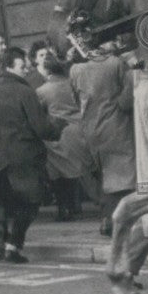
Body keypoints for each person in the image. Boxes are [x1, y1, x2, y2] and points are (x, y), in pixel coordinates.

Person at [0, 47, 63, 263]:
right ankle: (13, 246)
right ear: (8, 67)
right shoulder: (25, 92)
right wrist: (58, 127)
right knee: (29, 203)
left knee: (0, 197)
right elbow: (42, 129)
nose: (26, 70)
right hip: (26, 157)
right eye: (22, 66)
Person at [69, 43, 136, 236]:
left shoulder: (75, 69)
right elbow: (126, 101)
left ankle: (107, 219)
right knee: (125, 176)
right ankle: (119, 221)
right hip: (117, 127)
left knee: (104, 175)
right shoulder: (116, 63)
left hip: (91, 128)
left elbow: (76, 100)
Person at [36, 54, 91, 222]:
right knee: (82, 169)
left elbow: (39, 114)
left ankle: (64, 208)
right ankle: (77, 204)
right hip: (80, 129)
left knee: (58, 173)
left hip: (58, 133)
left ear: (47, 70)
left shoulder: (42, 91)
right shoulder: (72, 84)